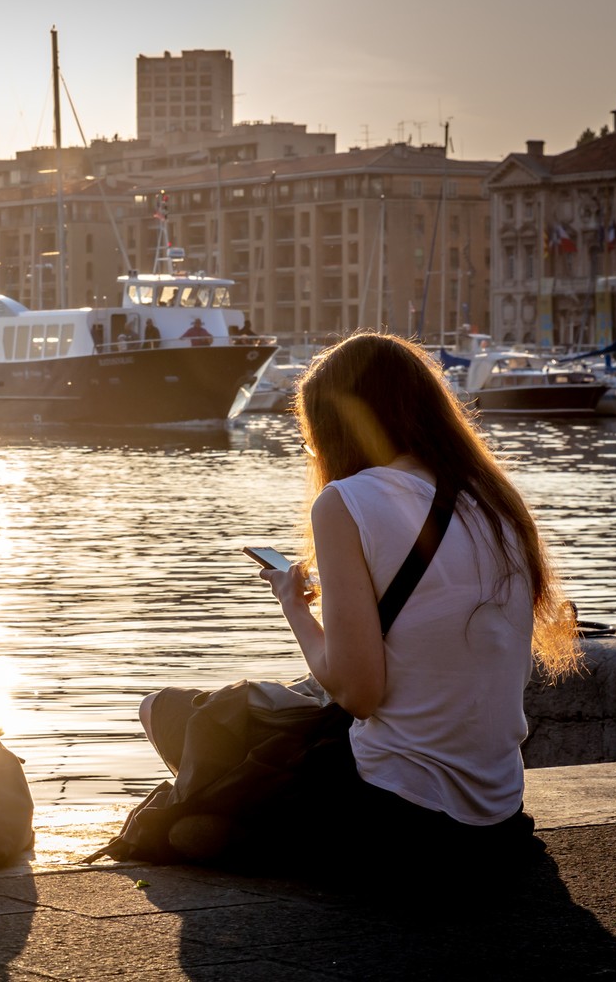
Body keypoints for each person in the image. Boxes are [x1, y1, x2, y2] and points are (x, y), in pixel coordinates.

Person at [145, 332, 580, 870]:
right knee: (222, 778)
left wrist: (294, 607)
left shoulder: (345, 501)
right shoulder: (496, 502)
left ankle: (233, 829)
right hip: (497, 815)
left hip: (398, 809)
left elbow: (358, 694)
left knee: (166, 712)